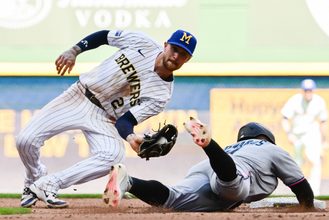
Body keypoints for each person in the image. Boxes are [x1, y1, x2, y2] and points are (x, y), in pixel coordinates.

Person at [17, 29, 197, 208]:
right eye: (174, 49)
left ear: (188, 59)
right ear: (165, 45)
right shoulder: (143, 43)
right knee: (25, 141)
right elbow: (104, 36)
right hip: (79, 96)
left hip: (105, 118)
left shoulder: (161, 95)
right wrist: (75, 50)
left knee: (113, 157)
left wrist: (131, 137)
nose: (176, 56)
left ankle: (49, 184)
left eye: (183, 54)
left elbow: (125, 121)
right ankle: (34, 178)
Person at [102, 117, 315, 212]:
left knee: (172, 199)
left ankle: (129, 182)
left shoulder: (236, 146)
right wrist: (308, 207)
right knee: (233, 187)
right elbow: (299, 185)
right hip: (233, 170)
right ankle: (209, 144)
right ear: (267, 137)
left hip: (208, 166)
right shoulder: (271, 148)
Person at [281, 79, 329, 196]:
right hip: (297, 134)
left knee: (315, 161)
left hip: (312, 134)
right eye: (306, 90)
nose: (308, 92)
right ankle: (298, 191)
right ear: (303, 91)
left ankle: (315, 192)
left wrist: (325, 140)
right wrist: (289, 134)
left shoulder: (319, 101)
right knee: (297, 163)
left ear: (313, 90)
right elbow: (285, 118)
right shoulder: (295, 100)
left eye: (310, 90)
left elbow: (323, 122)